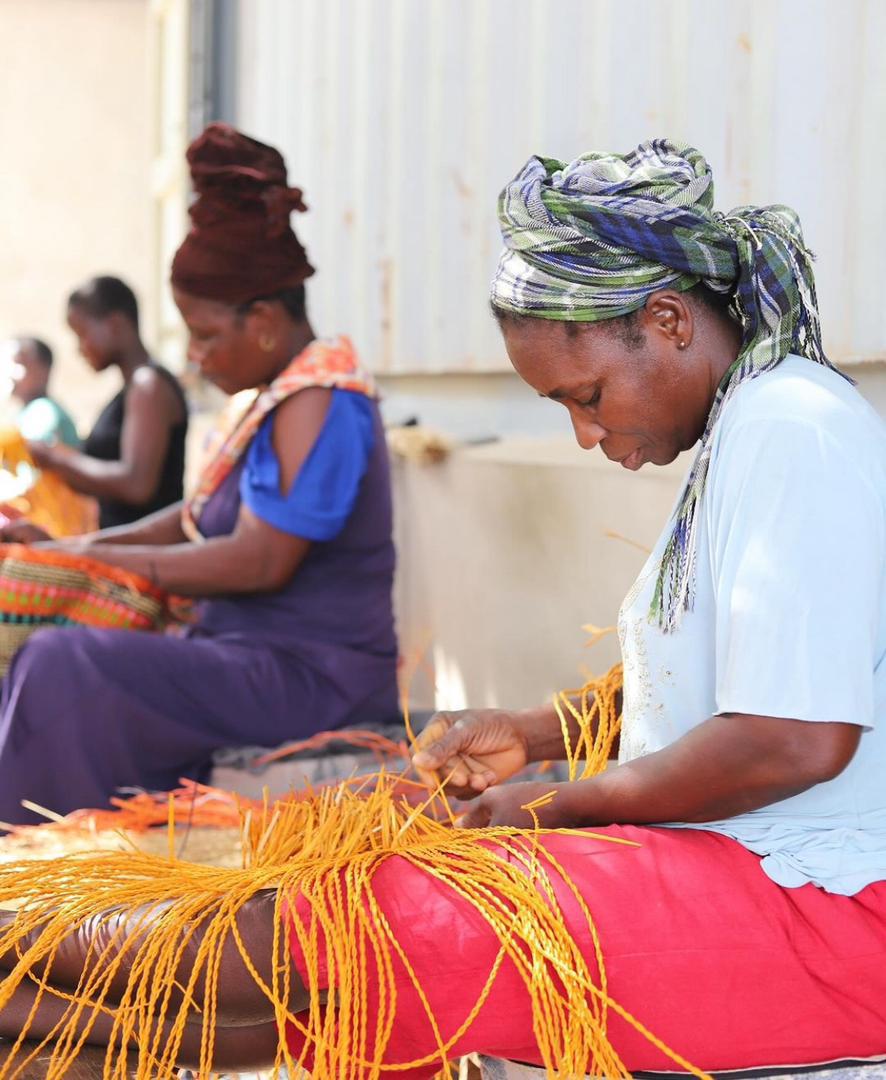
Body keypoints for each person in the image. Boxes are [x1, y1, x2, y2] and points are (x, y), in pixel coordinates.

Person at [1, 139, 884, 1078]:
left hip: (822, 909)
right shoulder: (749, 426)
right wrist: (534, 733)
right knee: (343, 934)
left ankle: (16, 944)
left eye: (585, 397)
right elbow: (717, 687)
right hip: (748, 870)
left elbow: (792, 738)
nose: (585, 434)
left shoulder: (793, 427)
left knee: (358, 921)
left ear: (667, 319)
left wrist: (560, 803)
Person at [0, 122, 398, 826]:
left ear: (267, 322)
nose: (195, 357)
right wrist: (63, 553)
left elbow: (261, 560)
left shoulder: (325, 403)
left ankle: (34, 873)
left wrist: (100, 565)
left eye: (207, 335)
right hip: (240, 656)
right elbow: (191, 520)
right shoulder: (273, 402)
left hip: (312, 679)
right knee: (40, 658)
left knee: (67, 665)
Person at [21, 275, 188, 530]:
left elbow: (136, 485)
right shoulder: (133, 389)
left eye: (82, 334)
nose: (81, 348)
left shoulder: (148, 385)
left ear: (115, 324)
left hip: (141, 556)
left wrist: (56, 458)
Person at [3, 336, 80, 447]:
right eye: (6, 364)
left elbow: (35, 459)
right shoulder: (29, 412)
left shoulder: (44, 414)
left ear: (44, 371)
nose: (10, 373)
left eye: (19, 364)